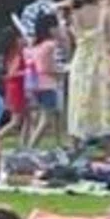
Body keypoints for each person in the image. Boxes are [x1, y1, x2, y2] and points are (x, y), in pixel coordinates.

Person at [64, 0, 110, 145]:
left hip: (80, 62)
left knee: (78, 100)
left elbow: (71, 39)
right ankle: (109, 146)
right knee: (104, 101)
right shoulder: (105, 12)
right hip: (100, 61)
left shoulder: (75, 14)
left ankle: (75, 142)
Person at [22, 12, 62, 149]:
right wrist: (59, 72)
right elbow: (46, 67)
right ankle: (31, 147)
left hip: (35, 85)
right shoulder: (50, 45)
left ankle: (34, 145)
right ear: (50, 29)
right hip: (48, 84)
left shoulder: (34, 46)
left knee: (42, 117)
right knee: (46, 120)